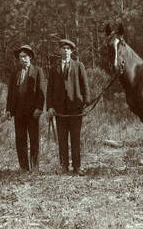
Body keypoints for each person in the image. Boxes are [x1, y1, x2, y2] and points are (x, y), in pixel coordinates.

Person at [47, 39, 90, 176]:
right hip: (60, 110)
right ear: (60, 51)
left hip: (75, 109)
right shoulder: (54, 69)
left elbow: (85, 85)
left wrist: (86, 102)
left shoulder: (79, 66)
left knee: (75, 139)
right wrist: (50, 107)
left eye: (68, 48)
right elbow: (50, 90)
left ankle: (77, 166)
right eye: (63, 48)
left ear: (71, 51)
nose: (65, 51)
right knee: (62, 139)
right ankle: (64, 166)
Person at [6, 44, 45, 172]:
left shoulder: (38, 71)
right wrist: (8, 110)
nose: (23, 59)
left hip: (32, 113)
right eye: (21, 57)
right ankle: (24, 167)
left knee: (34, 140)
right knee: (20, 140)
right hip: (18, 113)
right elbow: (10, 94)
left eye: (26, 56)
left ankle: (34, 168)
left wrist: (39, 108)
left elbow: (41, 92)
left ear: (31, 57)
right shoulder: (15, 74)